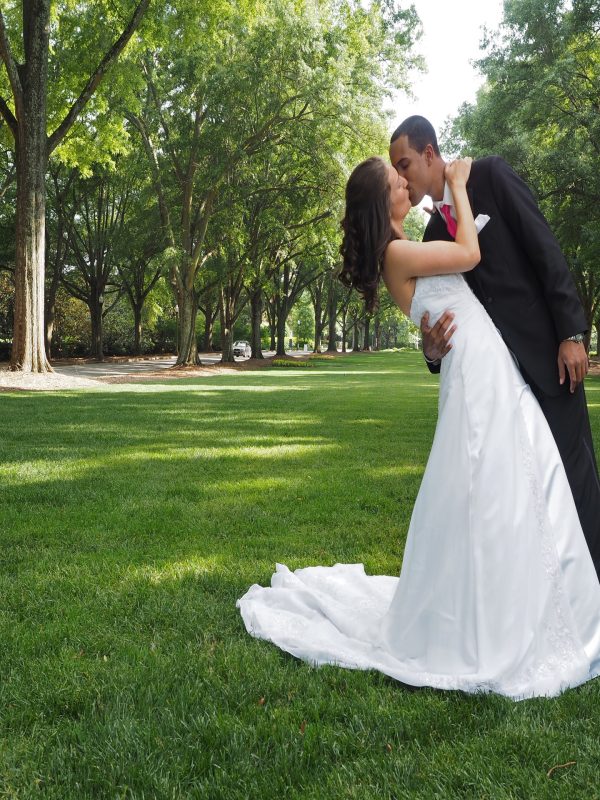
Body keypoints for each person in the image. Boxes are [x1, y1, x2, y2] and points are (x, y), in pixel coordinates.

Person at [237, 154, 600, 700]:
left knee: (508, 479)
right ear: (384, 203)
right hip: (477, 370)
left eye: (404, 173)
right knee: (492, 479)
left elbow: (436, 316)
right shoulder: (399, 251)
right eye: (395, 181)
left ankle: (531, 593)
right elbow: (471, 254)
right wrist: (456, 181)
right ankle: (504, 614)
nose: (405, 183)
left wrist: (431, 345)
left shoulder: (408, 245)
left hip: (482, 362)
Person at [389, 116, 600, 580]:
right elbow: (444, 318)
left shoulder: (491, 175)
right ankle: (552, 594)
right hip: (497, 387)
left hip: (549, 359)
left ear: (430, 153)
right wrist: (430, 351)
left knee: (574, 475)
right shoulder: (432, 239)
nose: (402, 178)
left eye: (404, 164)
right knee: (528, 493)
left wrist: (572, 333)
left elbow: (546, 248)